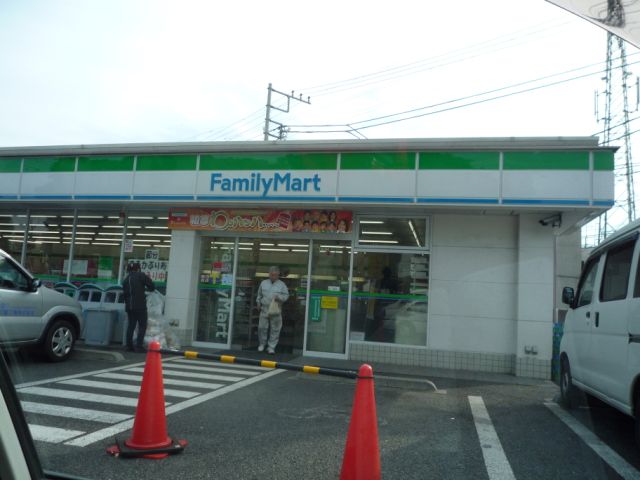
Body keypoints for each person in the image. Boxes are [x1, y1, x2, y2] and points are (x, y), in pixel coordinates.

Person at [256, 266, 289, 354]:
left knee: (275, 329)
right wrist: (258, 302)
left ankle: (271, 347)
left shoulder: (282, 285)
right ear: (269, 274)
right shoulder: (263, 283)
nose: (273, 276)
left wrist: (279, 297)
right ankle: (262, 344)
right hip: (264, 308)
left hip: (276, 309)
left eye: (275, 275)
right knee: (262, 327)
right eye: (271, 275)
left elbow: (286, 296)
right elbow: (259, 295)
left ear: (278, 275)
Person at [123, 262, 155, 352]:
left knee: (131, 326)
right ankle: (139, 346)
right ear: (138, 269)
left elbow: (125, 294)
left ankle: (129, 346)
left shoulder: (126, 279)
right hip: (140, 305)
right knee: (142, 325)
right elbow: (152, 286)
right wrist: (146, 289)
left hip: (129, 306)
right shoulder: (141, 275)